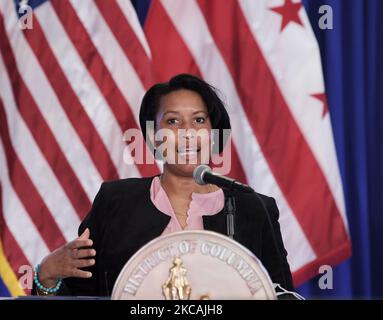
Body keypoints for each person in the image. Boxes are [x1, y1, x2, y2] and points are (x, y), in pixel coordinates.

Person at [33, 74, 294, 297]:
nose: (187, 132)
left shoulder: (253, 207)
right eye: (172, 121)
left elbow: (282, 295)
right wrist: (46, 276)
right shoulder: (116, 202)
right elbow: (79, 295)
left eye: (199, 120)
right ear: (154, 137)